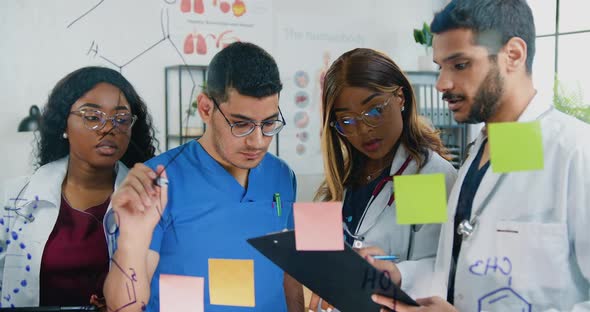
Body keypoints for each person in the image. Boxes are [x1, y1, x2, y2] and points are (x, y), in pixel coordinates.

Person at [372, 0, 590, 311]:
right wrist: (400, 274)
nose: (442, 84)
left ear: (513, 55)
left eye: (460, 65)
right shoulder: (482, 153)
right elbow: (462, 269)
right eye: (440, 66)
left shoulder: (576, 152)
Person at [104, 42, 304, 312]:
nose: (258, 141)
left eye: (269, 124)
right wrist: (130, 243)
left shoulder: (281, 176)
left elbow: (289, 272)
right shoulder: (158, 182)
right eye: (241, 124)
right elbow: (123, 307)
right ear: (206, 108)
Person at [309, 48, 457, 311]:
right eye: (347, 120)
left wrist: (394, 273)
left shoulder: (421, 177)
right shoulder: (341, 179)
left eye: (374, 111)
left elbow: (435, 268)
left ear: (400, 97)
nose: (363, 130)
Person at [0, 66, 157, 308]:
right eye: (93, 117)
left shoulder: (152, 200)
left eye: (121, 119)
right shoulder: (11, 199)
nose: (109, 128)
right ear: (63, 124)